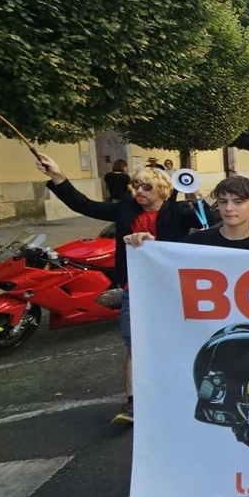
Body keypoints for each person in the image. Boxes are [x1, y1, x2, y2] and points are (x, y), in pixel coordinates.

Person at [124, 175, 249, 497]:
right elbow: (166, 265)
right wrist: (144, 245)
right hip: (207, 348)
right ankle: (227, 495)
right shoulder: (199, 241)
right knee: (217, 422)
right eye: (222, 201)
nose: (229, 209)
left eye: (237, 202)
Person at [34, 152, 213, 424]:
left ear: (163, 191)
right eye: (137, 185)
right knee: (135, 347)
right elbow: (85, 205)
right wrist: (58, 176)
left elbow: (209, 224)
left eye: (146, 186)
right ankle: (133, 403)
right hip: (135, 290)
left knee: (180, 343)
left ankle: (183, 393)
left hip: (173, 291)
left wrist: (197, 197)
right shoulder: (126, 208)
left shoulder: (178, 212)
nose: (139, 190)